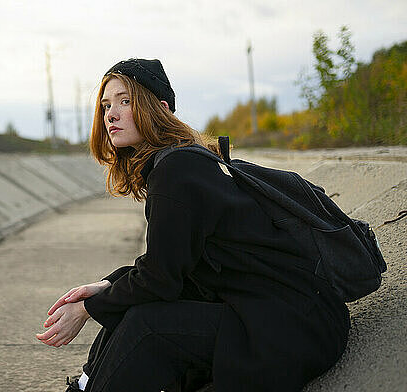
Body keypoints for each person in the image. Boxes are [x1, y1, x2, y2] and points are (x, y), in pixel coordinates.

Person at [35, 58, 350, 392]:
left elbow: (160, 280)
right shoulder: (183, 160)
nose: (111, 114)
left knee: (147, 326)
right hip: (287, 316)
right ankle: (86, 385)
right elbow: (172, 269)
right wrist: (105, 286)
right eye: (106, 105)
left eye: (125, 101)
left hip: (291, 328)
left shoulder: (176, 172)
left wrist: (88, 308)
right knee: (136, 312)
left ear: (161, 108)